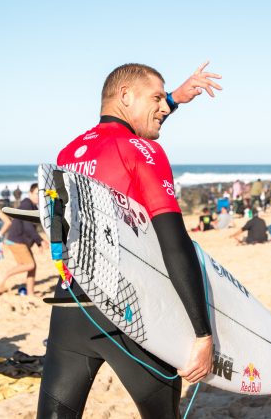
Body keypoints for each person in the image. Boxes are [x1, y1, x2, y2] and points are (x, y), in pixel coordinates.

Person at [38, 62, 222, 418]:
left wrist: (176, 97)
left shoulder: (69, 152)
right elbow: (175, 244)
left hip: (70, 307)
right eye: (157, 98)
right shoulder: (143, 151)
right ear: (125, 95)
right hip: (130, 312)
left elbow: (120, 136)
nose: (165, 107)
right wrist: (203, 333)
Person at [0, 183, 49, 296]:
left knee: (32, 267)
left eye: (41, 194)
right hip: (16, 240)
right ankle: (4, 277)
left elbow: (29, 227)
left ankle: (30, 293)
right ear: (30, 193)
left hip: (21, 241)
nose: (39, 196)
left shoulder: (33, 206)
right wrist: (40, 240)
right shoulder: (26, 205)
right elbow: (28, 227)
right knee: (30, 265)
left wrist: (37, 243)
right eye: (36, 193)